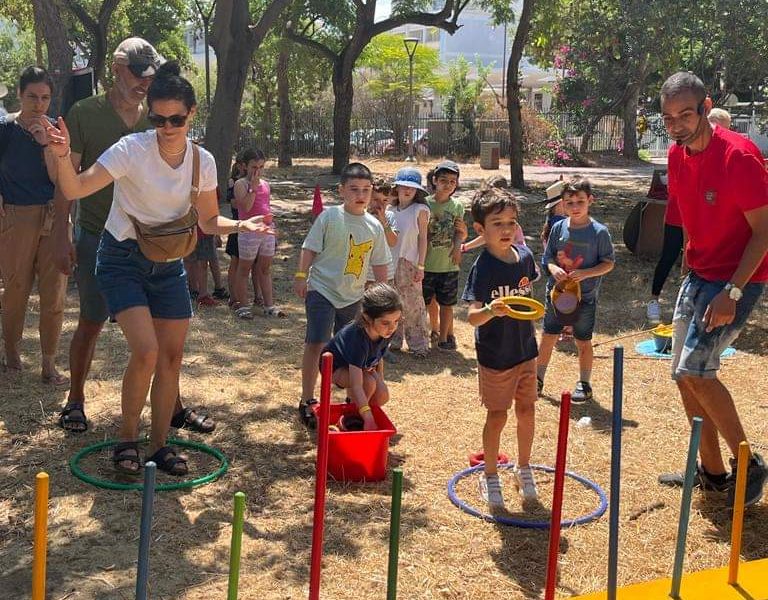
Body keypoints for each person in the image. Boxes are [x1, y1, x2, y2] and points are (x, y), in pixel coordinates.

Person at [45, 61, 272, 475]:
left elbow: (206, 221)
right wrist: (62, 157)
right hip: (122, 258)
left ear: (192, 114)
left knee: (171, 357)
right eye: (158, 118)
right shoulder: (131, 149)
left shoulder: (202, 162)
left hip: (168, 263)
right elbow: (75, 187)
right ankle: (127, 439)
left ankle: (160, 445)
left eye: (176, 119)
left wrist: (240, 223)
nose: (167, 127)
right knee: (146, 351)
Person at [52, 38, 215, 434]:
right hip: (100, 232)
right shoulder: (85, 113)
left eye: (151, 75)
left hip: (158, 243)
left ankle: (170, 410)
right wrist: (61, 229)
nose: (146, 82)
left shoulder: (159, 112)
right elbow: (69, 182)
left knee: (162, 348)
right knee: (91, 320)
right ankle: (75, 399)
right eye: (139, 74)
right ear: (116, 69)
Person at [656, 72, 768, 506]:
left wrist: (733, 292)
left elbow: (763, 234)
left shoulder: (738, 156)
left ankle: (748, 464)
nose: (678, 124)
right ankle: (714, 474)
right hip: (699, 275)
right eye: (669, 118)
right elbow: (690, 214)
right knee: (682, 378)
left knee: (695, 369)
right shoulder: (676, 155)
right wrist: (689, 258)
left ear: (706, 108)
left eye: (686, 114)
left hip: (740, 279)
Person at [295, 162, 391, 428]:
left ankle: (352, 404)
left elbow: (381, 264)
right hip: (322, 290)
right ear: (341, 191)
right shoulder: (329, 217)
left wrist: (383, 298)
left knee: (353, 352)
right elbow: (309, 247)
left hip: (353, 297)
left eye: (366, 189)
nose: (360, 195)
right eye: (354, 189)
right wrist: (301, 276)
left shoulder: (373, 226)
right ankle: (307, 399)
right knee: (317, 343)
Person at [462, 186, 540, 507]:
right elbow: (472, 317)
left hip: (525, 350)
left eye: (511, 222)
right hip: (496, 355)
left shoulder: (525, 257)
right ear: (481, 229)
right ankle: (490, 474)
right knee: (498, 416)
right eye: (498, 223)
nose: (506, 229)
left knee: (527, 410)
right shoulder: (483, 267)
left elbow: (529, 295)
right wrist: (490, 310)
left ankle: (524, 467)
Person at [0, 66, 68, 384]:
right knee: (16, 289)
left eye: (45, 98)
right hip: (16, 216)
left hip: (53, 216)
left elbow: (58, 178)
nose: (39, 104)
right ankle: (11, 352)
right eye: (32, 96)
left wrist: (46, 145)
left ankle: (49, 362)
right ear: (19, 94)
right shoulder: (4, 128)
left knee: (54, 293)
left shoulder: (56, 129)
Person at [536, 176, 615, 403]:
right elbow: (548, 257)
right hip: (557, 295)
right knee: (549, 336)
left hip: (585, 297)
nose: (575, 207)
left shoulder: (599, 232)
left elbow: (608, 263)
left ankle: (584, 383)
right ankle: (538, 379)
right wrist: (553, 269)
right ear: (562, 203)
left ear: (590, 200)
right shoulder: (558, 227)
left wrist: (586, 273)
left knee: (582, 340)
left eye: (580, 201)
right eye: (569, 202)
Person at [322, 283, 402, 431]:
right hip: (337, 367)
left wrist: (381, 381)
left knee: (382, 395)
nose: (392, 327)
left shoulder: (386, 331)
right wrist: (369, 418)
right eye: (386, 322)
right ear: (367, 317)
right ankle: (353, 417)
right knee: (369, 383)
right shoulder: (357, 338)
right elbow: (358, 384)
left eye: (396, 321)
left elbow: (379, 356)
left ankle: (359, 411)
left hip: (363, 367)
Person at [231, 148, 283, 319]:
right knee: (244, 268)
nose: (257, 171)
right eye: (254, 167)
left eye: (261, 166)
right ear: (244, 166)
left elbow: (265, 206)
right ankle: (243, 305)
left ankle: (269, 305)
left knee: (265, 268)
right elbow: (245, 207)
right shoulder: (240, 184)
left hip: (266, 230)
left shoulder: (266, 184)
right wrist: (252, 189)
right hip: (248, 232)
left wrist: (272, 225)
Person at [423, 161, 467, 350]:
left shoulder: (457, 206)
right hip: (426, 263)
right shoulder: (425, 204)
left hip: (449, 264)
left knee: (447, 303)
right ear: (434, 181)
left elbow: (459, 231)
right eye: (443, 180)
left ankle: (444, 338)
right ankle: (432, 329)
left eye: (452, 181)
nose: (448, 184)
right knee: (428, 301)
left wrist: (458, 248)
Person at [388, 167, 431, 358]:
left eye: (411, 188)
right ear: (396, 188)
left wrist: (421, 265)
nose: (407, 191)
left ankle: (419, 344)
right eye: (403, 186)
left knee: (413, 305)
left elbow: (423, 238)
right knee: (391, 303)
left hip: (410, 262)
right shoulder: (390, 210)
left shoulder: (420, 210)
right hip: (390, 262)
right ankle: (393, 341)